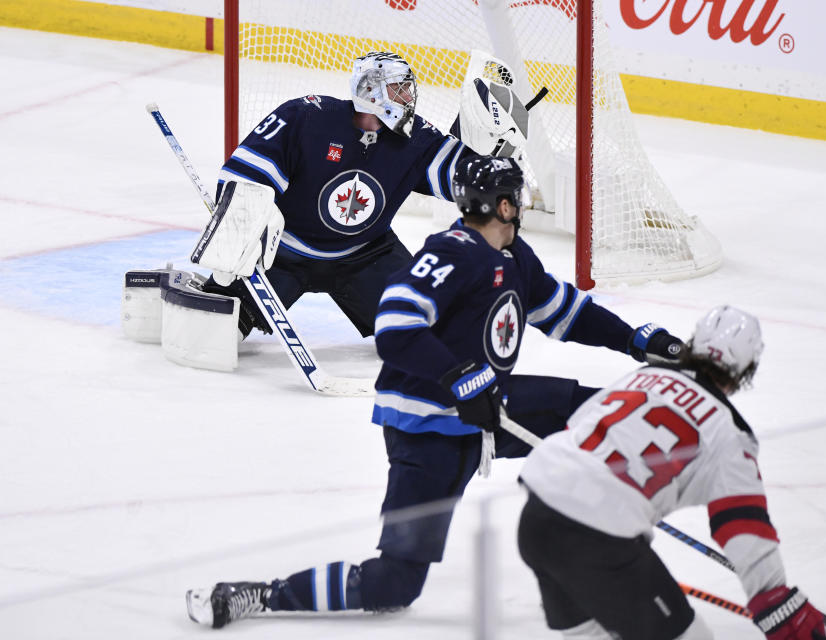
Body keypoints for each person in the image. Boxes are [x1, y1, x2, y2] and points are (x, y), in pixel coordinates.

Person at [185, 155, 689, 629]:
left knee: (604, 412)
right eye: (519, 197)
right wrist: (459, 376)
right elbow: (396, 325)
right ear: (506, 206)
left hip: (489, 407)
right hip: (427, 429)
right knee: (394, 584)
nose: (525, 204)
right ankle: (261, 594)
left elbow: (564, 311)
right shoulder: (451, 252)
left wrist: (634, 340)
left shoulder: (513, 255)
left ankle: (630, 519)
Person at [517, 306, 826, 640]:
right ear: (746, 370)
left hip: (536, 519)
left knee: (592, 635)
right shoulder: (729, 433)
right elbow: (743, 526)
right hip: (598, 541)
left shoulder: (639, 378)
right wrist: (775, 601)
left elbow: (575, 428)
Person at [202, 50, 479, 338]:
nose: (408, 98)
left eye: (408, 90)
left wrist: (493, 156)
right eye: (399, 89)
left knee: (431, 328)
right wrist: (248, 225)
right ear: (371, 91)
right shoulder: (306, 117)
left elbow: (461, 177)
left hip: (366, 256)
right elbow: (244, 176)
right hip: (284, 253)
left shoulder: (415, 138)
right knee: (220, 329)